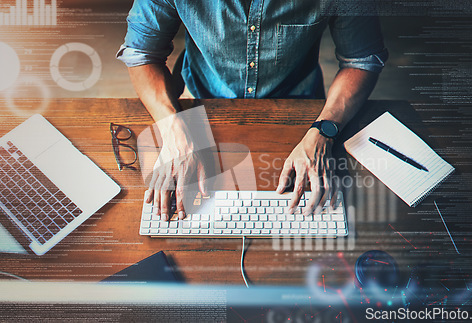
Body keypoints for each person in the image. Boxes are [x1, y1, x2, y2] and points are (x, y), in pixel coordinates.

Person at [117, 0, 388, 221]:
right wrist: (174, 131)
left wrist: (324, 130)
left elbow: (361, 60)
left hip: (301, 110)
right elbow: (141, 53)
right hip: (206, 104)